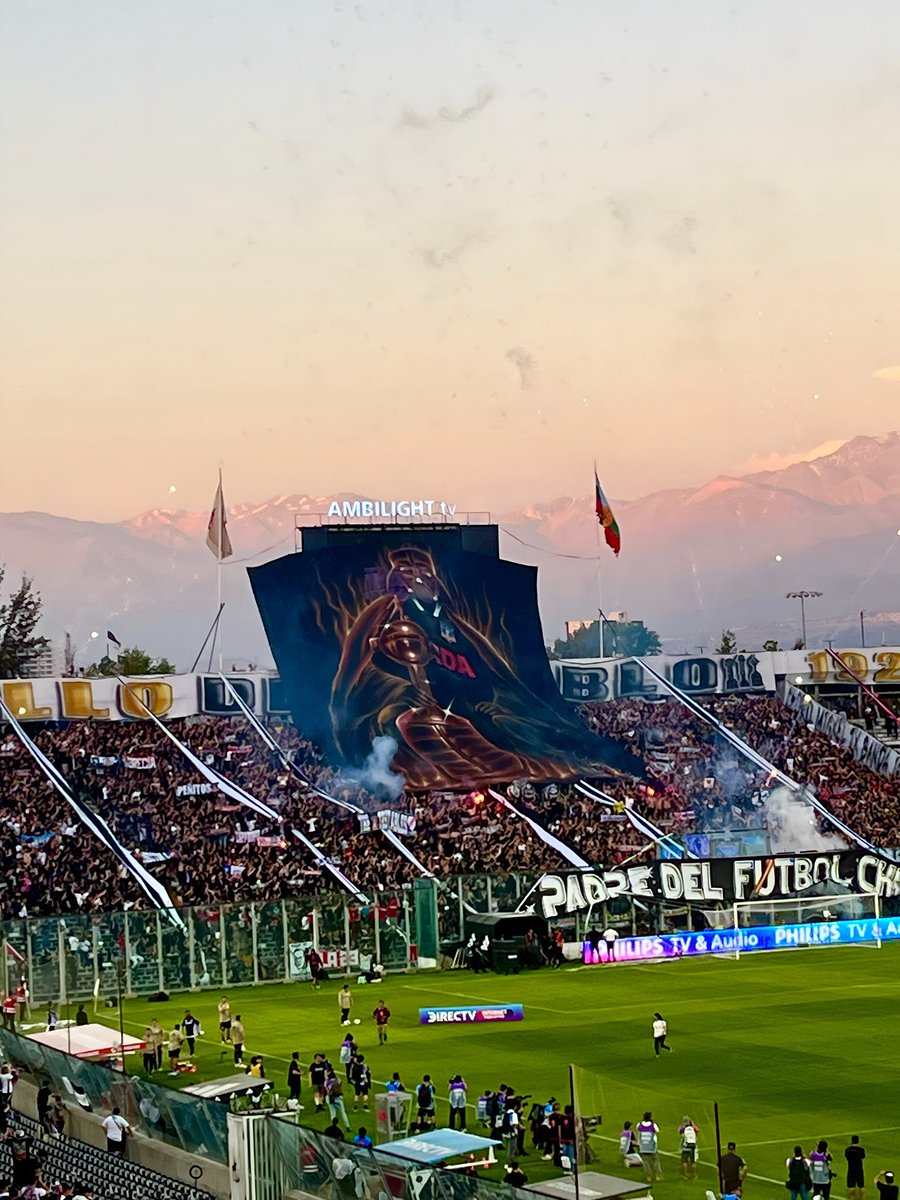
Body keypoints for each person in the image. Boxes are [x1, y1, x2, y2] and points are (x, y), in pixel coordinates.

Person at [637, 1111, 663, 1182]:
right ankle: (658, 1176)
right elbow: (657, 1131)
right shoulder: (653, 1125)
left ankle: (648, 1177)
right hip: (652, 1146)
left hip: (643, 1147)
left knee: (646, 1163)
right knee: (656, 1161)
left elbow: (638, 1130)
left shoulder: (639, 1125)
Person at [679, 1116, 700, 1181]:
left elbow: (679, 1131)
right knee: (693, 1161)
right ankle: (694, 1174)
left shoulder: (683, 1128)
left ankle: (686, 1175)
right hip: (692, 1147)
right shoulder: (693, 1128)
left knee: (684, 1161)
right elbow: (698, 1130)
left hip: (685, 1147)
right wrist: (693, 1124)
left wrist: (683, 1125)